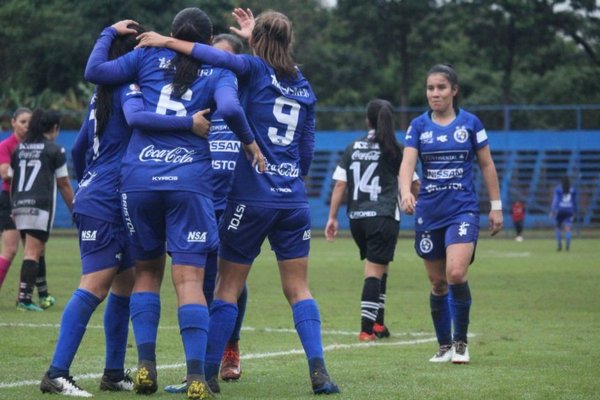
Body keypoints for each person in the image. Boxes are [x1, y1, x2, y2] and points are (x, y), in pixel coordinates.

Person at [136, 7, 340, 395]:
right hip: (293, 199)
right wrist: (292, 177)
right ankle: (320, 373)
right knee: (299, 289)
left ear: (258, 42)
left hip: (251, 196)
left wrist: (165, 41)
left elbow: (214, 56)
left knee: (226, 288)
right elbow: (308, 145)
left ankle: (206, 376)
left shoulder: (250, 69)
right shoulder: (302, 83)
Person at [84, 9, 264, 399]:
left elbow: (95, 72)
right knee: (191, 282)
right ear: (205, 40)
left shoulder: (145, 57)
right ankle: (197, 376)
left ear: (170, 33)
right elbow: (231, 110)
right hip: (190, 183)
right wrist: (249, 141)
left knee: (147, 274)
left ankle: (145, 366)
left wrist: (107, 33)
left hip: (140, 180)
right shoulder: (217, 71)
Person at [39, 24, 210, 398]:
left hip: (111, 194)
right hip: (106, 198)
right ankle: (56, 372)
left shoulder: (103, 93)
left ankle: (113, 372)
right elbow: (134, 122)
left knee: (125, 284)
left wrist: (90, 183)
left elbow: (81, 148)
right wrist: (188, 124)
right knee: (96, 285)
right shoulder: (130, 90)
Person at [399, 64, 503, 364]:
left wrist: (496, 206)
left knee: (455, 273)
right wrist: (406, 192)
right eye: (430, 88)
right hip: (429, 211)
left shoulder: (470, 123)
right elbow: (407, 165)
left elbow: (486, 165)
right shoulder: (418, 126)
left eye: (441, 87)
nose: (435, 93)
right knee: (437, 283)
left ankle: (461, 343)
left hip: (463, 210)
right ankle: (443, 345)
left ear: (454, 90)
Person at [164, 33, 249, 395]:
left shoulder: (240, 94)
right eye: (212, 55)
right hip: (197, 197)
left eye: (225, 57)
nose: (217, 62)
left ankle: (229, 347)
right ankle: (198, 367)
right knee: (196, 282)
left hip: (234, 201)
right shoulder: (193, 96)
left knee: (229, 279)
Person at [325, 99, 420, 342]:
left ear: (367, 120)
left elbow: (340, 184)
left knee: (380, 266)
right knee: (374, 271)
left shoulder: (352, 147)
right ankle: (367, 329)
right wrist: (412, 199)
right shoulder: (395, 149)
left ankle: (378, 323)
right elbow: (415, 182)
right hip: (383, 217)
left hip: (356, 218)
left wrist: (332, 217)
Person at [8, 109, 74, 312]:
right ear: (55, 129)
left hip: (19, 204)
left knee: (37, 250)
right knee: (32, 252)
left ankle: (44, 295)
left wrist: (14, 205)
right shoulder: (55, 151)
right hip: (39, 206)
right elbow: (63, 183)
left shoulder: (19, 149)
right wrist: (75, 208)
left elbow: (12, 179)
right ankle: (24, 299)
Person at [0, 107, 31, 292]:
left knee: (34, 251)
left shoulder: (35, 145)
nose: (26, 126)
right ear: (13, 123)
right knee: (10, 249)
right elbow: (4, 174)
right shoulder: (6, 145)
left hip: (30, 199)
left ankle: (26, 298)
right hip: (10, 199)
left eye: (30, 122)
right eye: (22, 122)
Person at [550, 176, 577, 251]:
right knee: (568, 229)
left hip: (560, 210)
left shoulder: (558, 189)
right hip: (569, 210)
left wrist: (552, 211)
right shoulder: (573, 189)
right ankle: (567, 246)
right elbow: (574, 202)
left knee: (558, 227)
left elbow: (555, 201)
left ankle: (559, 245)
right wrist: (574, 211)